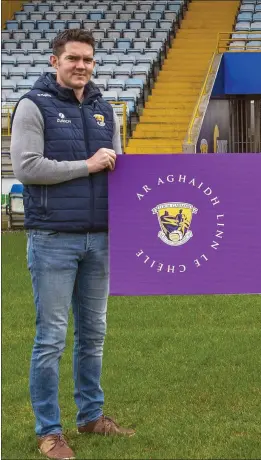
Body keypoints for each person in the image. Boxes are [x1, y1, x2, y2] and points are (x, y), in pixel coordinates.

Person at [10, 29, 135, 460]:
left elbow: (117, 169)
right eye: (73, 59)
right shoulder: (32, 105)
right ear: (54, 61)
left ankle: (91, 416)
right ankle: (49, 431)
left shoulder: (104, 109)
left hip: (100, 237)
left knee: (94, 334)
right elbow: (27, 168)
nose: (81, 66)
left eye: (88, 60)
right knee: (51, 338)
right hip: (52, 240)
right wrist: (87, 165)